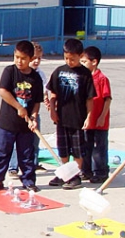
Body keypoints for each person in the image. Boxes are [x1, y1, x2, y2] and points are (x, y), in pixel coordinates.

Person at [0, 40, 43, 192]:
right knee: (2, 152)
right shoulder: (10, 72)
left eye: (23, 58)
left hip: (25, 126)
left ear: (31, 58)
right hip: (7, 123)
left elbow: (37, 101)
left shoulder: (36, 78)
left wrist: (34, 117)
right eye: (16, 57)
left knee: (26, 154)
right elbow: (3, 91)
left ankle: (28, 180)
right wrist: (18, 107)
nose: (19, 61)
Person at [47, 38, 95, 189]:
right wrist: (53, 110)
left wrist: (89, 116)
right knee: (63, 147)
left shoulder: (85, 74)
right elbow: (52, 94)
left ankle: (74, 176)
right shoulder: (59, 71)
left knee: (78, 149)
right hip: (61, 118)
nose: (69, 61)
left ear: (80, 56)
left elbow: (89, 98)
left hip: (78, 119)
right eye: (66, 58)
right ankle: (64, 173)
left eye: (72, 59)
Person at [9, 42, 49, 177]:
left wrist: (46, 99)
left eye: (39, 58)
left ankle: (33, 163)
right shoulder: (16, 72)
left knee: (34, 140)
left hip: (33, 113)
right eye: (34, 58)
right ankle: (13, 167)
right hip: (18, 114)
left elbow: (42, 92)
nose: (36, 61)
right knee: (16, 141)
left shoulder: (40, 75)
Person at [80, 45, 112, 183]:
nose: (82, 65)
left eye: (84, 62)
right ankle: (86, 170)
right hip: (87, 120)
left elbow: (107, 99)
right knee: (86, 146)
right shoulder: (83, 77)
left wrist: (102, 116)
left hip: (99, 121)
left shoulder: (102, 78)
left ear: (94, 62)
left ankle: (101, 172)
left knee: (99, 147)